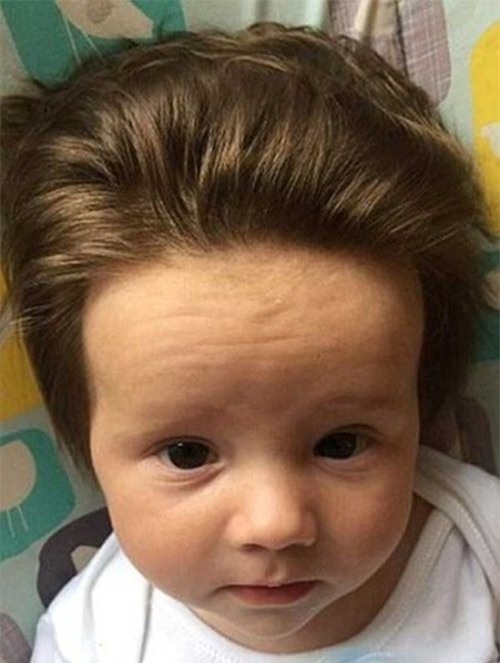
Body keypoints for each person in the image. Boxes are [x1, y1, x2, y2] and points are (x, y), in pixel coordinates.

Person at [1, 22, 499, 663]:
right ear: (87, 442)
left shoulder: (481, 547)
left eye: (341, 444)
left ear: (417, 406)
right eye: (187, 454)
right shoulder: (96, 641)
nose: (276, 524)